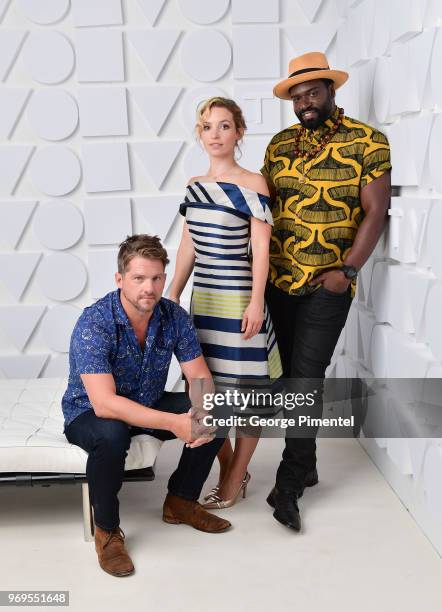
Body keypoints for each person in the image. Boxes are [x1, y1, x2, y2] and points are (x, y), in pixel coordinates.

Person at [262, 52, 392, 531]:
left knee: (307, 378)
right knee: (287, 379)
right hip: (278, 281)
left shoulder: (368, 141)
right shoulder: (278, 147)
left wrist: (349, 271)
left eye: (312, 93)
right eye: (297, 97)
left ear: (330, 91)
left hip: (328, 284)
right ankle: (309, 462)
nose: (304, 103)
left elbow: (376, 213)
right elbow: (265, 212)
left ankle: (289, 482)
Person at [62, 235, 231, 578]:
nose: (149, 288)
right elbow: (105, 403)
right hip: (90, 411)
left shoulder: (173, 316)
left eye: (156, 278)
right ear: (120, 279)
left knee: (219, 409)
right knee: (111, 435)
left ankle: (181, 502)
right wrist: (174, 423)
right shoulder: (94, 323)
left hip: (148, 401)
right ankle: (107, 531)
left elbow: (198, 375)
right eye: (139, 278)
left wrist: (198, 413)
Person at [169, 97, 282, 509]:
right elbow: (187, 246)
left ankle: (234, 478)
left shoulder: (254, 183)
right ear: (200, 135)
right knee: (205, 394)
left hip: (238, 298)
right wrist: (172, 295)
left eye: (224, 126)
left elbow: (261, 249)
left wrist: (256, 303)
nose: (215, 134)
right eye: (207, 127)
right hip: (204, 301)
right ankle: (231, 464)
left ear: (239, 132)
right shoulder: (193, 186)